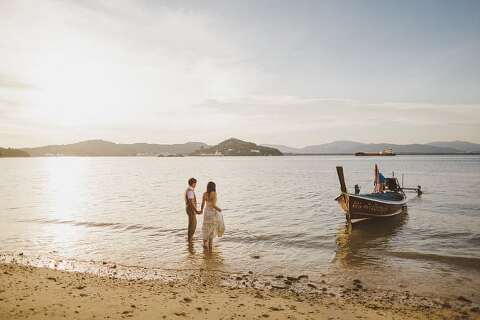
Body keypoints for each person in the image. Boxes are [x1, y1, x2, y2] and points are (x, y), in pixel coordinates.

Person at [201, 181, 222, 251]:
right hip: (212, 213)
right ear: (214, 187)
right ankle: (210, 245)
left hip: (206, 212)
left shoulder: (204, 194)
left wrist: (201, 210)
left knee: (206, 227)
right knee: (212, 228)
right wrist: (219, 209)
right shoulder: (214, 194)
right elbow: (213, 205)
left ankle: (204, 243)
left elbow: (203, 204)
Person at [185, 177, 201, 243]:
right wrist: (196, 210)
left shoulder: (188, 190)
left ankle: (190, 238)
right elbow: (191, 202)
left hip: (189, 208)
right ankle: (190, 238)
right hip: (191, 209)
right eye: (195, 183)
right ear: (193, 183)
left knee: (191, 224)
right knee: (193, 224)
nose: (196, 185)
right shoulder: (190, 191)